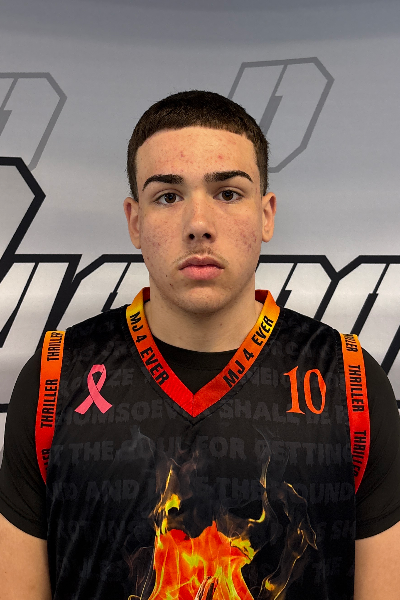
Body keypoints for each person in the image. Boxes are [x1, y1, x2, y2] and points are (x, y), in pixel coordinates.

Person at [0, 91, 399, 600]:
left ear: (266, 215)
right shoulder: (55, 378)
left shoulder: (349, 380)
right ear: (135, 221)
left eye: (228, 193)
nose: (198, 225)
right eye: (168, 196)